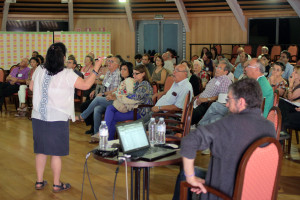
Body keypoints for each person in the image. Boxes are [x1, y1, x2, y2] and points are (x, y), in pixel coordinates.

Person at [173, 78, 276, 200]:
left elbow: (189, 141)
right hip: (256, 192)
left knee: (185, 175)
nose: (226, 104)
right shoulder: (270, 127)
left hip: (223, 194)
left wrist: (191, 177)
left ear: (241, 102)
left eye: (229, 100)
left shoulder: (228, 124)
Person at [29, 42, 103, 192]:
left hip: (38, 115)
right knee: (56, 153)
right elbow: (85, 85)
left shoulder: (39, 69)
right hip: (57, 117)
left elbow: (31, 87)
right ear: (63, 57)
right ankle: (56, 184)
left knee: (41, 150)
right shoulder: (67, 73)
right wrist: (97, 67)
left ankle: (39, 181)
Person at [105, 64, 153, 140]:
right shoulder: (138, 83)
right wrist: (121, 97)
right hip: (134, 109)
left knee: (112, 116)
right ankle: (108, 138)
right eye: (133, 73)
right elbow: (130, 96)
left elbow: (134, 98)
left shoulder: (144, 85)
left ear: (143, 74)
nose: (134, 76)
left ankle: (107, 137)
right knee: (110, 109)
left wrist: (119, 97)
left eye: (136, 74)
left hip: (141, 112)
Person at [76, 56, 121, 135]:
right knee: (97, 109)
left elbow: (115, 91)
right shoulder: (108, 73)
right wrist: (95, 91)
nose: (109, 63)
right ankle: (97, 134)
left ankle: (83, 116)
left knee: (97, 99)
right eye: (109, 61)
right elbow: (104, 86)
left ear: (117, 65)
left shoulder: (117, 74)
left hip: (113, 100)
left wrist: (103, 94)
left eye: (111, 61)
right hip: (105, 98)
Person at [279, 65, 300, 132]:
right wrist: (289, 86)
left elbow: (290, 98)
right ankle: (281, 134)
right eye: (293, 71)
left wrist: (290, 85)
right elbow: (286, 97)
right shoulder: (294, 84)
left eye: (296, 72)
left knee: (282, 117)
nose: (293, 72)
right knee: (281, 103)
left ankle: (281, 135)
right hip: (293, 108)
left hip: (295, 109)